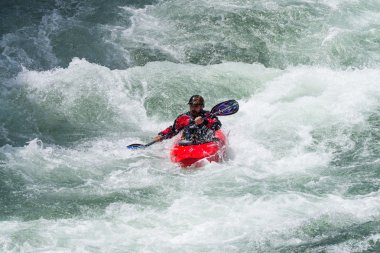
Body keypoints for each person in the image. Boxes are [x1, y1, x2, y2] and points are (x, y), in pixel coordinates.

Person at [153, 95, 222, 144]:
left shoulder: (208, 115)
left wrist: (204, 121)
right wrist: (161, 135)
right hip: (188, 143)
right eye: (191, 106)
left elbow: (217, 126)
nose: (193, 108)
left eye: (196, 106)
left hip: (206, 142)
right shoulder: (183, 118)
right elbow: (173, 130)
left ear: (201, 107)